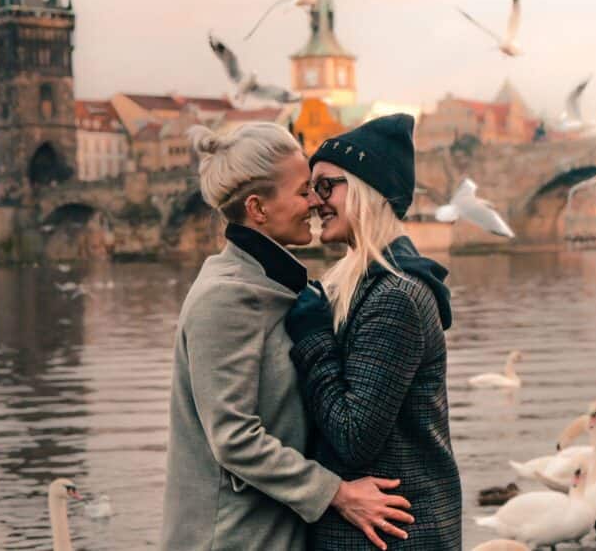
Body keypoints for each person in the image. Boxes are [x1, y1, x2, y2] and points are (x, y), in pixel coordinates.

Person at [160, 122, 413, 551]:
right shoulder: (224, 297)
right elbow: (234, 438)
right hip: (231, 539)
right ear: (258, 209)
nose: (316, 202)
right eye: (303, 192)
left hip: (273, 532)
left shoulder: (280, 286)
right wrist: (339, 494)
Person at [285, 114, 462, 549]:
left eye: (326, 185)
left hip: (391, 537)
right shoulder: (360, 284)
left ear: (368, 191)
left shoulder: (394, 297)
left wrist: (313, 338)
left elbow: (352, 437)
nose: (314, 201)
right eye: (311, 188)